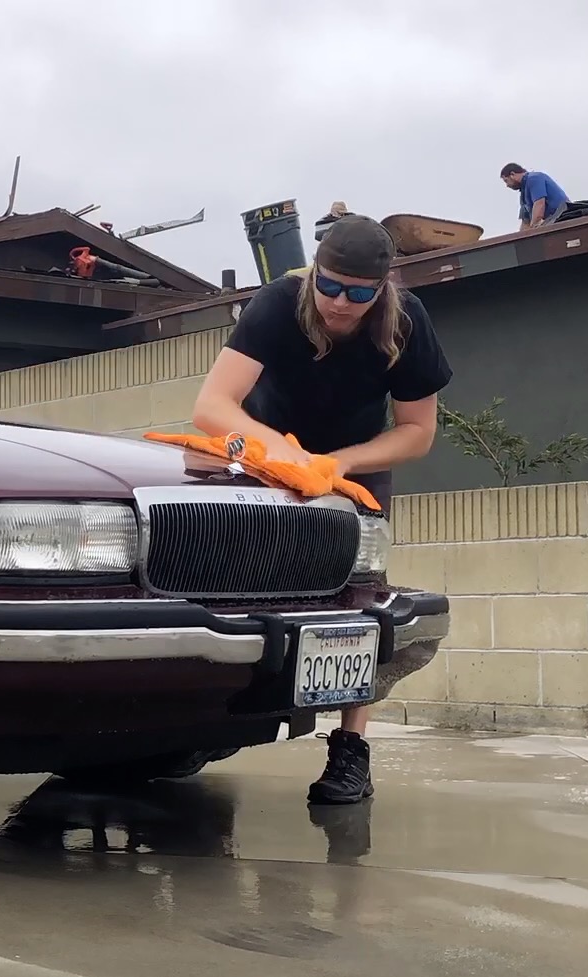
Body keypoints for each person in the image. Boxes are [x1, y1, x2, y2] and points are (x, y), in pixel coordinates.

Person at [190, 215, 453, 805]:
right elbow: (212, 406)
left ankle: (350, 751)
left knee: (356, 604)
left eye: (360, 294)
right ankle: (199, 719)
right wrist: (284, 451)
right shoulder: (277, 303)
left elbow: (416, 432)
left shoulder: (407, 320)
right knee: (229, 588)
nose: (340, 303)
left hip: (353, 468)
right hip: (263, 461)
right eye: (330, 286)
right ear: (314, 275)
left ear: (382, 289)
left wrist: (337, 464)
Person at [500, 163, 568, 229]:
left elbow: (539, 205)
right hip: (552, 221)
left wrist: (532, 231)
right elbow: (525, 222)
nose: (507, 185)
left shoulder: (534, 178)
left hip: (563, 217)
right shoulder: (523, 195)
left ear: (512, 174)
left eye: (506, 181)